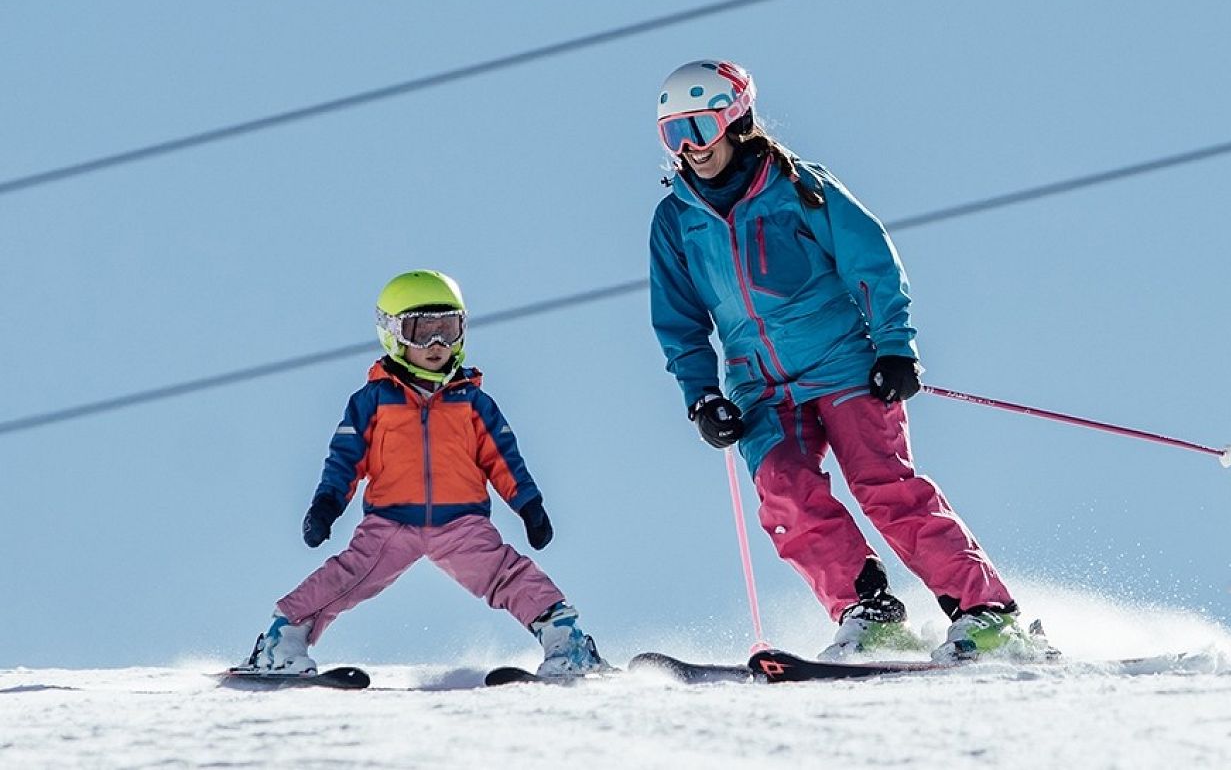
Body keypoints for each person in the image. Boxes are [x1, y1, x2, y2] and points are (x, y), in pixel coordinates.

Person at [648, 59, 1048, 662]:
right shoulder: (675, 220)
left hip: (842, 367)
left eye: (699, 129)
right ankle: (868, 611)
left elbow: (873, 264)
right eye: (674, 135)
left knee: (885, 486)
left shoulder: (800, 188)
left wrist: (894, 347)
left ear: (736, 120)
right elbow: (679, 322)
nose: (690, 149)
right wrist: (702, 397)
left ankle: (988, 612)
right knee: (785, 492)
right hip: (758, 388)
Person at [236, 270, 610, 677]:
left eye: (448, 329)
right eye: (422, 331)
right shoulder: (373, 401)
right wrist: (326, 505)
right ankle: (280, 643)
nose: (437, 345)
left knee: (509, 575)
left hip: (462, 522)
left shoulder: (472, 401)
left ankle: (569, 646)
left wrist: (529, 505)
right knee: (346, 577)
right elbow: (346, 458)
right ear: (393, 335)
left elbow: (503, 458)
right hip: (390, 522)